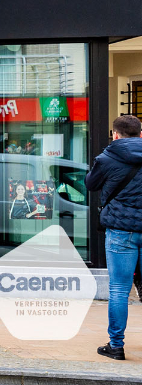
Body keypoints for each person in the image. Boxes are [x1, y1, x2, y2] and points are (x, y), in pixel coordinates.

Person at [86, 114, 142, 360]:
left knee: (119, 289)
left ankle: (116, 346)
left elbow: (90, 184)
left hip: (121, 231)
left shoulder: (107, 158)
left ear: (115, 134)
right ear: (141, 134)